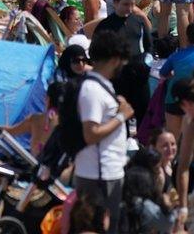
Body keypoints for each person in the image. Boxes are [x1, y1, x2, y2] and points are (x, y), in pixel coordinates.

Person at [73, 29, 135, 234]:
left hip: (107, 171)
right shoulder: (92, 89)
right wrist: (121, 116)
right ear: (115, 59)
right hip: (98, 175)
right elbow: (90, 134)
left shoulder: (102, 85)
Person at [159, 22, 194, 136]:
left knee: (173, 135)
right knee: (192, 139)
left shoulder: (176, 55)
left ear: (187, 37)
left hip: (174, 97)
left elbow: (163, 73)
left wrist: (174, 75)